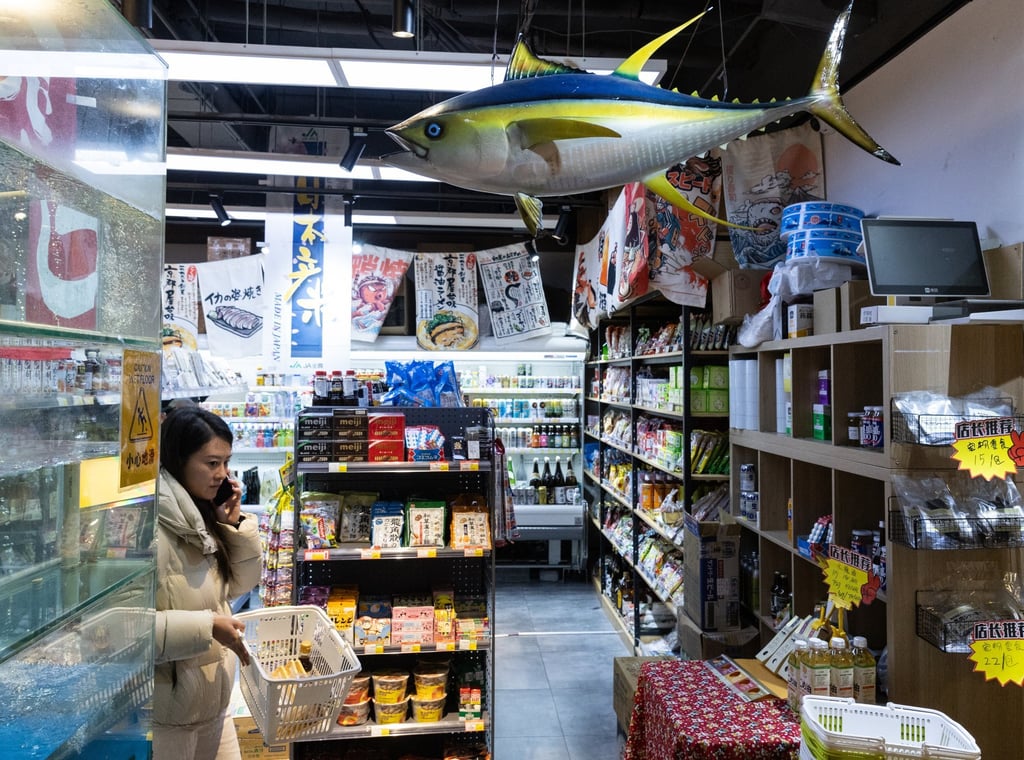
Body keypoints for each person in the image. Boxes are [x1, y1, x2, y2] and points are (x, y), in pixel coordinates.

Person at [152, 406, 261, 759]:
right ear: (178, 459)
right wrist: (207, 626)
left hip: (212, 698)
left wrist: (231, 526)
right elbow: (123, 629)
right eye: (211, 463)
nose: (223, 475)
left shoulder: (200, 514)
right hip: (168, 715)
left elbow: (238, 587)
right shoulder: (152, 526)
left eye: (226, 463)